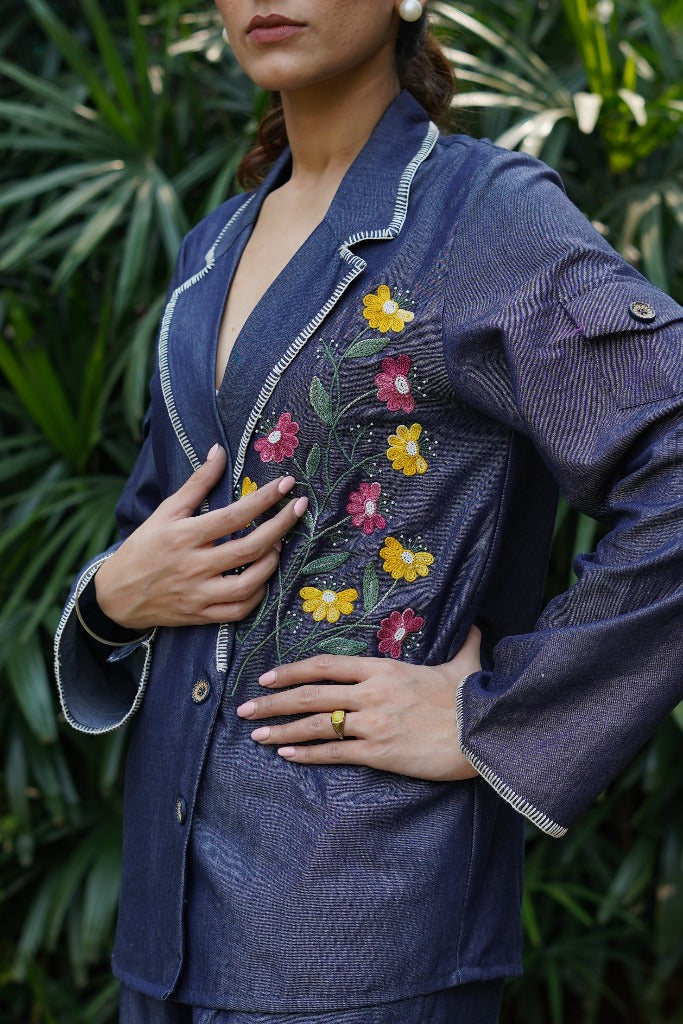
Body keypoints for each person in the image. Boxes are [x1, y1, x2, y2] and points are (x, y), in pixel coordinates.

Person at [54, 2, 683, 1022]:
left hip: (361, 933)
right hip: (164, 936)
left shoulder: (482, 216)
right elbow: (163, 516)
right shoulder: (215, 247)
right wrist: (112, 597)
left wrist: (497, 719)